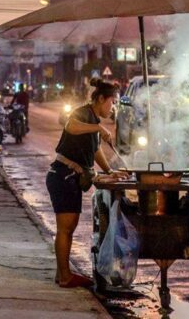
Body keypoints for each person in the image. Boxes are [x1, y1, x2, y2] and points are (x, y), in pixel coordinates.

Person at [46, 78, 128, 288]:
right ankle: (65, 277)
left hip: (69, 178)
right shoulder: (83, 114)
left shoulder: (92, 118)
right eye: (112, 102)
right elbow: (71, 126)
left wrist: (110, 170)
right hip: (63, 176)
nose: (113, 108)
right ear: (100, 99)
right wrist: (98, 128)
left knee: (69, 228)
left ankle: (61, 273)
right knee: (65, 228)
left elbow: (94, 150)